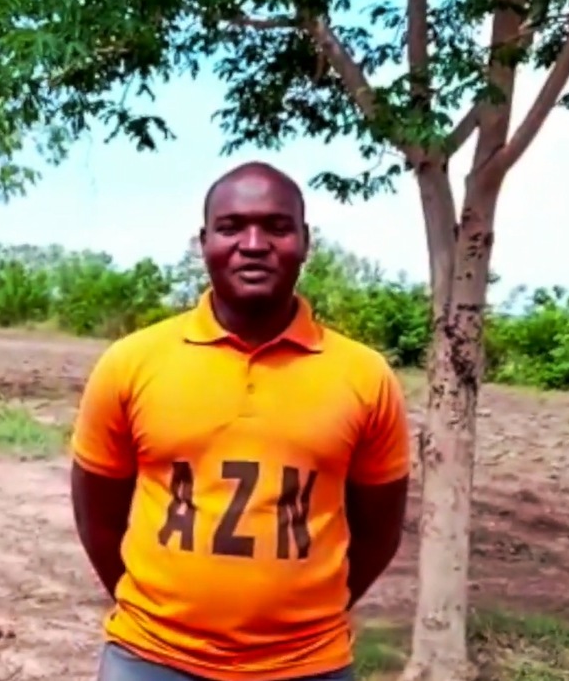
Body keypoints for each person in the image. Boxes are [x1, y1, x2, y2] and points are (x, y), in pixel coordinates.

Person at [69, 161, 411, 681]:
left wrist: (302, 622)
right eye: (231, 227)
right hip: (152, 659)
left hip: (306, 666)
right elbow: (98, 517)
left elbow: (378, 533)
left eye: (277, 227)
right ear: (203, 242)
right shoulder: (131, 362)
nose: (253, 244)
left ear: (305, 241)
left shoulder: (365, 376)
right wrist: (160, 617)